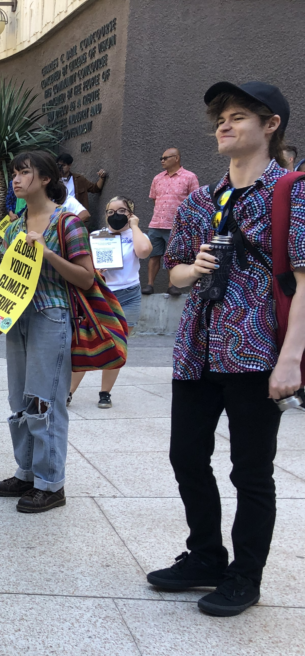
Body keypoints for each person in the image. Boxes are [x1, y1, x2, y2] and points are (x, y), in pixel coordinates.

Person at [147, 81, 305, 617]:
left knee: (250, 468)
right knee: (186, 455)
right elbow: (175, 272)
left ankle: (245, 575)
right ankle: (206, 556)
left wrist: (290, 361)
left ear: (271, 125)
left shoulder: (293, 191)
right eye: (221, 117)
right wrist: (191, 269)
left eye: (239, 116)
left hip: (257, 350)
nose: (225, 124)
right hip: (196, 347)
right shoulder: (200, 200)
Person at [0, 150, 95, 513]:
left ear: (47, 178)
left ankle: (51, 483)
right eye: (15, 173)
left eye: (24, 173)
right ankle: (27, 472)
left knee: (45, 399)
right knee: (18, 400)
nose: (17, 180)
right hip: (16, 317)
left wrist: (48, 254)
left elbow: (86, 277)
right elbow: (7, 277)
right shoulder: (15, 225)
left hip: (51, 314)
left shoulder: (67, 223)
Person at [70, 195, 151, 407]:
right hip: (101, 295)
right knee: (88, 342)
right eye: (110, 212)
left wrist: (134, 226)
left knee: (118, 345)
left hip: (129, 295)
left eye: (122, 211)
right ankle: (68, 391)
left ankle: (105, 393)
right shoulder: (96, 236)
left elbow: (143, 251)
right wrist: (95, 270)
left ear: (131, 213)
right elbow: (82, 262)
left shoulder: (137, 235)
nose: (115, 215)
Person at [144, 147, 200, 297]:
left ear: (176, 158)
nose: (162, 161)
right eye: (161, 158)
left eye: (165, 158)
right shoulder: (157, 178)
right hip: (156, 223)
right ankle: (149, 284)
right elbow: (154, 199)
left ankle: (172, 286)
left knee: (174, 256)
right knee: (154, 255)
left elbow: (195, 201)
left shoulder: (190, 177)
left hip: (177, 225)